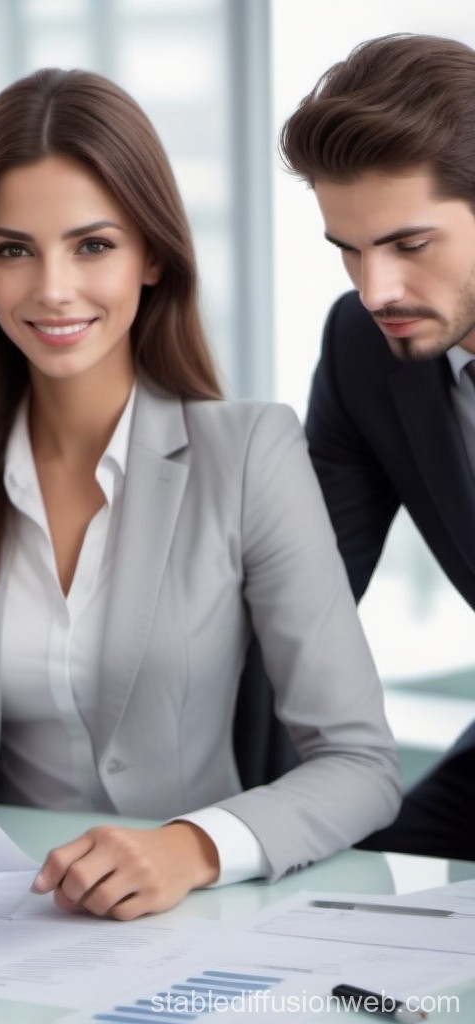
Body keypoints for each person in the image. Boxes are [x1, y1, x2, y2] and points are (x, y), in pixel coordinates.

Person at [0, 67, 400, 920]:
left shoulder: (250, 451)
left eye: (92, 245)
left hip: (193, 916)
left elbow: (359, 765)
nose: (52, 289)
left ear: (152, 254)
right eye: (12, 250)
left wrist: (191, 848)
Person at [280, 33, 475, 863]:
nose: (375, 290)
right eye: (349, 250)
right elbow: (305, 599)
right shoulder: (363, 350)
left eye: (408, 245)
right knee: (349, 885)